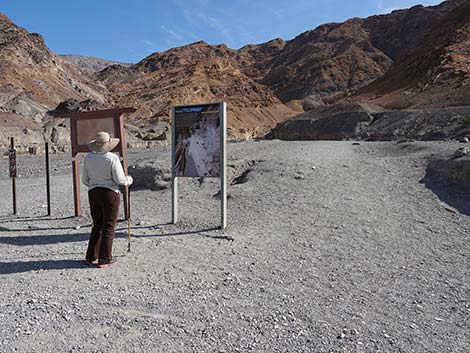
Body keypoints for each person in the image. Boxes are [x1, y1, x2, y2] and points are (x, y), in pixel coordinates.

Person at [81, 131, 133, 268]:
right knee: (109, 226)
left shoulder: (88, 157)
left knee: (97, 224)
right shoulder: (112, 158)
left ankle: (91, 256)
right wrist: (129, 180)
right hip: (109, 193)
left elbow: (84, 180)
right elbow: (119, 179)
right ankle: (105, 259)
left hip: (93, 192)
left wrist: (95, 183)